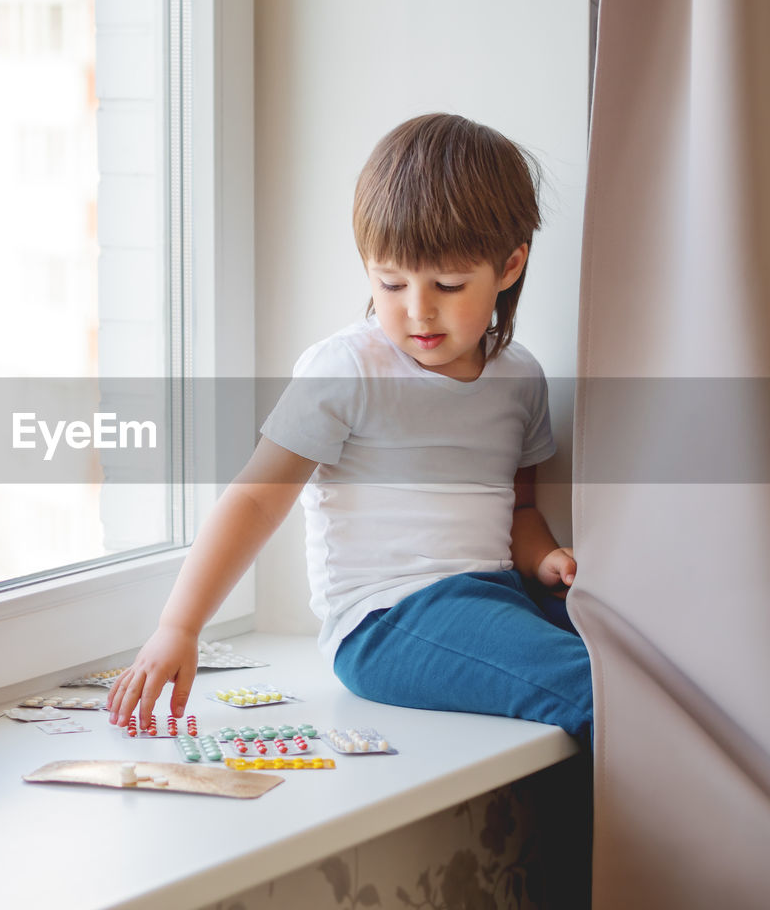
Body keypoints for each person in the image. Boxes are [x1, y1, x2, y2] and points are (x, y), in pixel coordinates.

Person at [106, 113, 593, 743]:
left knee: (645, 655)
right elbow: (255, 499)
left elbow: (518, 507)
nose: (418, 309)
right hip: (388, 617)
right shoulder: (345, 369)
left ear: (509, 267)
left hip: (497, 594)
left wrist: (545, 557)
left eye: (447, 284)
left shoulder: (519, 377)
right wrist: (180, 626)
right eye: (390, 282)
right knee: (596, 686)